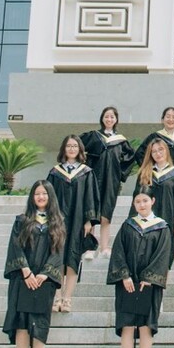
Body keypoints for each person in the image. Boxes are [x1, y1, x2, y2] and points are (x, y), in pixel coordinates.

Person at [107, 190, 173, 348]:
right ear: (134, 204)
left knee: (146, 326)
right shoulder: (128, 226)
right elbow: (118, 252)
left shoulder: (162, 227)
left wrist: (149, 277)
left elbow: (163, 254)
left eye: (145, 200)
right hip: (127, 284)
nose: (142, 204)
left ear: (152, 201)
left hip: (149, 285)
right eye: (138, 201)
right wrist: (124, 275)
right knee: (127, 325)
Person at [4, 181, 66, 348]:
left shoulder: (57, 222)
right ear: (32, 197)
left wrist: (45, 274)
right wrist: (26, 271)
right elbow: (15, 247)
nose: (40, 197)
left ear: (50, 197)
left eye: (44, 194)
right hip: (23, 279)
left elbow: (58, 252)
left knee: (39, 324)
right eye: (37, 193)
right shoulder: (22, 220)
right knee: (22, 324)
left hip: (44, 281)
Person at [47, 134, 100, 313]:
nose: (71, 149)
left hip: (78, 221)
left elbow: (91, 197)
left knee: (72, 259)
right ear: (64, 149)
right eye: (68, 146)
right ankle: (56, 298)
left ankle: (67, 298)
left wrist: (89, 220)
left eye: (75, 146)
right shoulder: (55, 172)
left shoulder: (86, 172)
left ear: (80, 150)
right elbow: (48, 197)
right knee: (57, 257)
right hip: (58, 221)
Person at [80, 106, 136, 257]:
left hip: (111, 181)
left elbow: (130, 159)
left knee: (106, 213)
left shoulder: (121, 141)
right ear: (102, 118)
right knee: (91, 212)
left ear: (116, 119)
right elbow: (76, 146)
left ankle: (104, 248)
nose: (109, 119)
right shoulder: (93, 136)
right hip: (93, 179)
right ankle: (89, 248)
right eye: (106, 116)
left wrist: (120, 174)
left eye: (112, 117)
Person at [131, 138, 174, 262]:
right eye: (154, 151)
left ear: (166, 151)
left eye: (161, 150)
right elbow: (137, 198)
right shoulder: (144, 173)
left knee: (164, 258)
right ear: (150, 154)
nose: (158, 154)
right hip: (147, 220)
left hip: (168, 219)